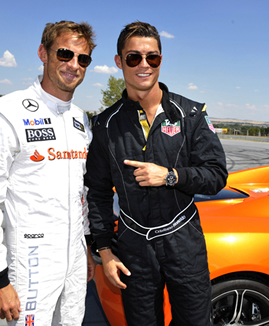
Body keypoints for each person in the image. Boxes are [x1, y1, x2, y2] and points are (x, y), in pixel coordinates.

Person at [85, 21, 228, 325]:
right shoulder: (105, 125)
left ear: (161, 60)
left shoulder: (190, 114)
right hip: (133, 245)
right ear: (119, 62)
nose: (144, 65)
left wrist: (171, 176)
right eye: (134, 57)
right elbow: (96, 193)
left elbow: (216, 175)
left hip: (183, 240)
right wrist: (105, 251)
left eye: (153, 57)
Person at [0, 20, 96, 325]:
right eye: (64, 54)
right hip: (32, 261)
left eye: (83, 59)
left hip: (75, 260)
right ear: (43, 53)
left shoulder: (80, 120)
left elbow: (80, 192)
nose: (73, 64)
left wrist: (85, 246)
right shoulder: (8, 113)